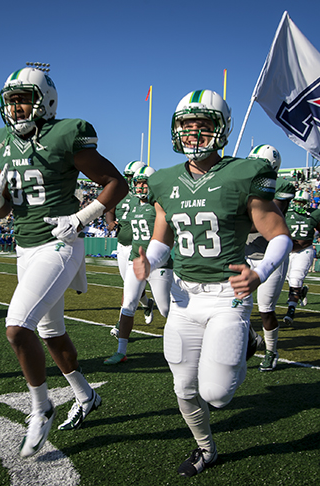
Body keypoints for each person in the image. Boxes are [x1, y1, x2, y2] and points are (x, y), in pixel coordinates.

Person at [133, 90, 292, 477]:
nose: (193, 134)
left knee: (216, 395)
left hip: (227, 294)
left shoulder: (245, 172)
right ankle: (206, 448)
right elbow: (162, 236)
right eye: (187, 127)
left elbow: (280, 235)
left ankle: (245, 345)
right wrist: (149, 260)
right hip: (184, 296)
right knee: (184, 389)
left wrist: (261, 272)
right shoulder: (165, 180)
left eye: (202, 126)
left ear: (221, 130)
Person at [0, 67, 128, 458]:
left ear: (45, 101)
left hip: (59, 242)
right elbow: (2, 214)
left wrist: (80, 219)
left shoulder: (65, 133)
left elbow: (117, 182)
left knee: (17, 328)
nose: (16, 108)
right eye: (11, 100)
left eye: (24, 99)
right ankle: (86, 395)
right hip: (24, 246)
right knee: (50, 332)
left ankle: (41, 408)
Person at [104, 166, 172, 365]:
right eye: (138, 183)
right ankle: (121, 350)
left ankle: (184, 343)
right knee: (128, 305)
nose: (140, 187)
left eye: (144, 183)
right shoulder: (132, 203)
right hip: (135, 259)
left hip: (159, 264)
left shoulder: (161, 204)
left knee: (167, 309)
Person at [243, 144, 294, 372]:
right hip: (244, 253)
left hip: (269, 257)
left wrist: (234, 221)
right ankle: (251, 339)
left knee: (265, 309)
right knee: (233, 305)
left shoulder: (280, 187)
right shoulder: (240, 182)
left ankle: (272, 351)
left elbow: (265, 219)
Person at [104, 160, 154, 335]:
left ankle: (120, 324)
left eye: (133, 178)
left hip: (139, 248)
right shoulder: (122, 193)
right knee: (129, 285)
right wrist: (111, 222)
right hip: (122, 245)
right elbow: (109, 208)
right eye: (130, 178)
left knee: (129, 287)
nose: (132, 182)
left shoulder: (148, 197)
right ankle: (147, 303)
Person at [282, 190, 320, 325]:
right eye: (297, 201)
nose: (298, 204)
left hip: (304, 250)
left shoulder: (314, 214)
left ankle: (290, 311)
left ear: (307, 203)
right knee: (288, 279)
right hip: (287, 251)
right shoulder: (286, 212)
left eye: (301, 202)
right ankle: (301, 291)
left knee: (295, 280)